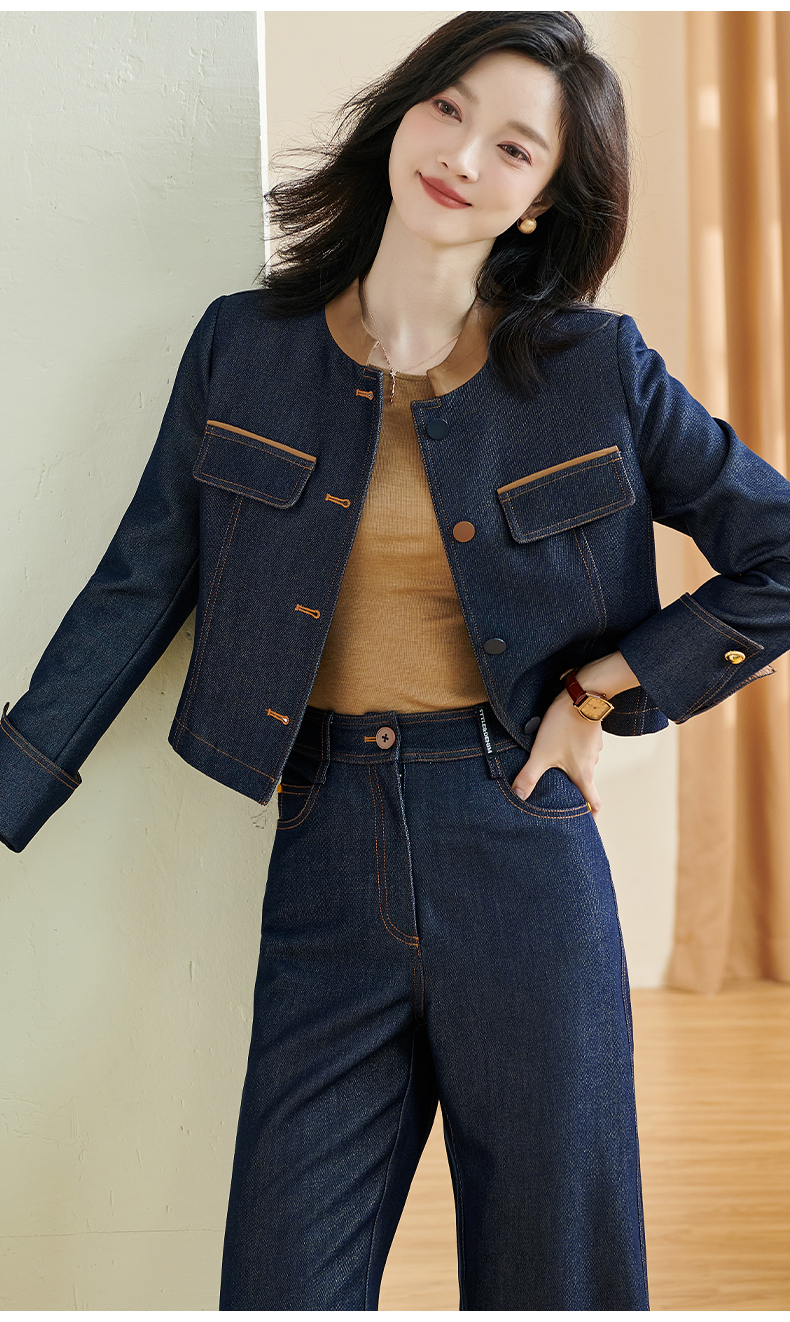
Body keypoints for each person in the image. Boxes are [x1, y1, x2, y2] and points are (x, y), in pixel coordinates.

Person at [2, 8, 790, 1310]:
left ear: (543, 201)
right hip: (324, 846)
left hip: (518, 839)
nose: (462, 157)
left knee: (556, 1279)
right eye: (448, 109)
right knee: (281, 1280)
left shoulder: (596, 369)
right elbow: (139, 586)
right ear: (402, 113)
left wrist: (605, 688)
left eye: (514, 148)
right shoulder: (245, 348)